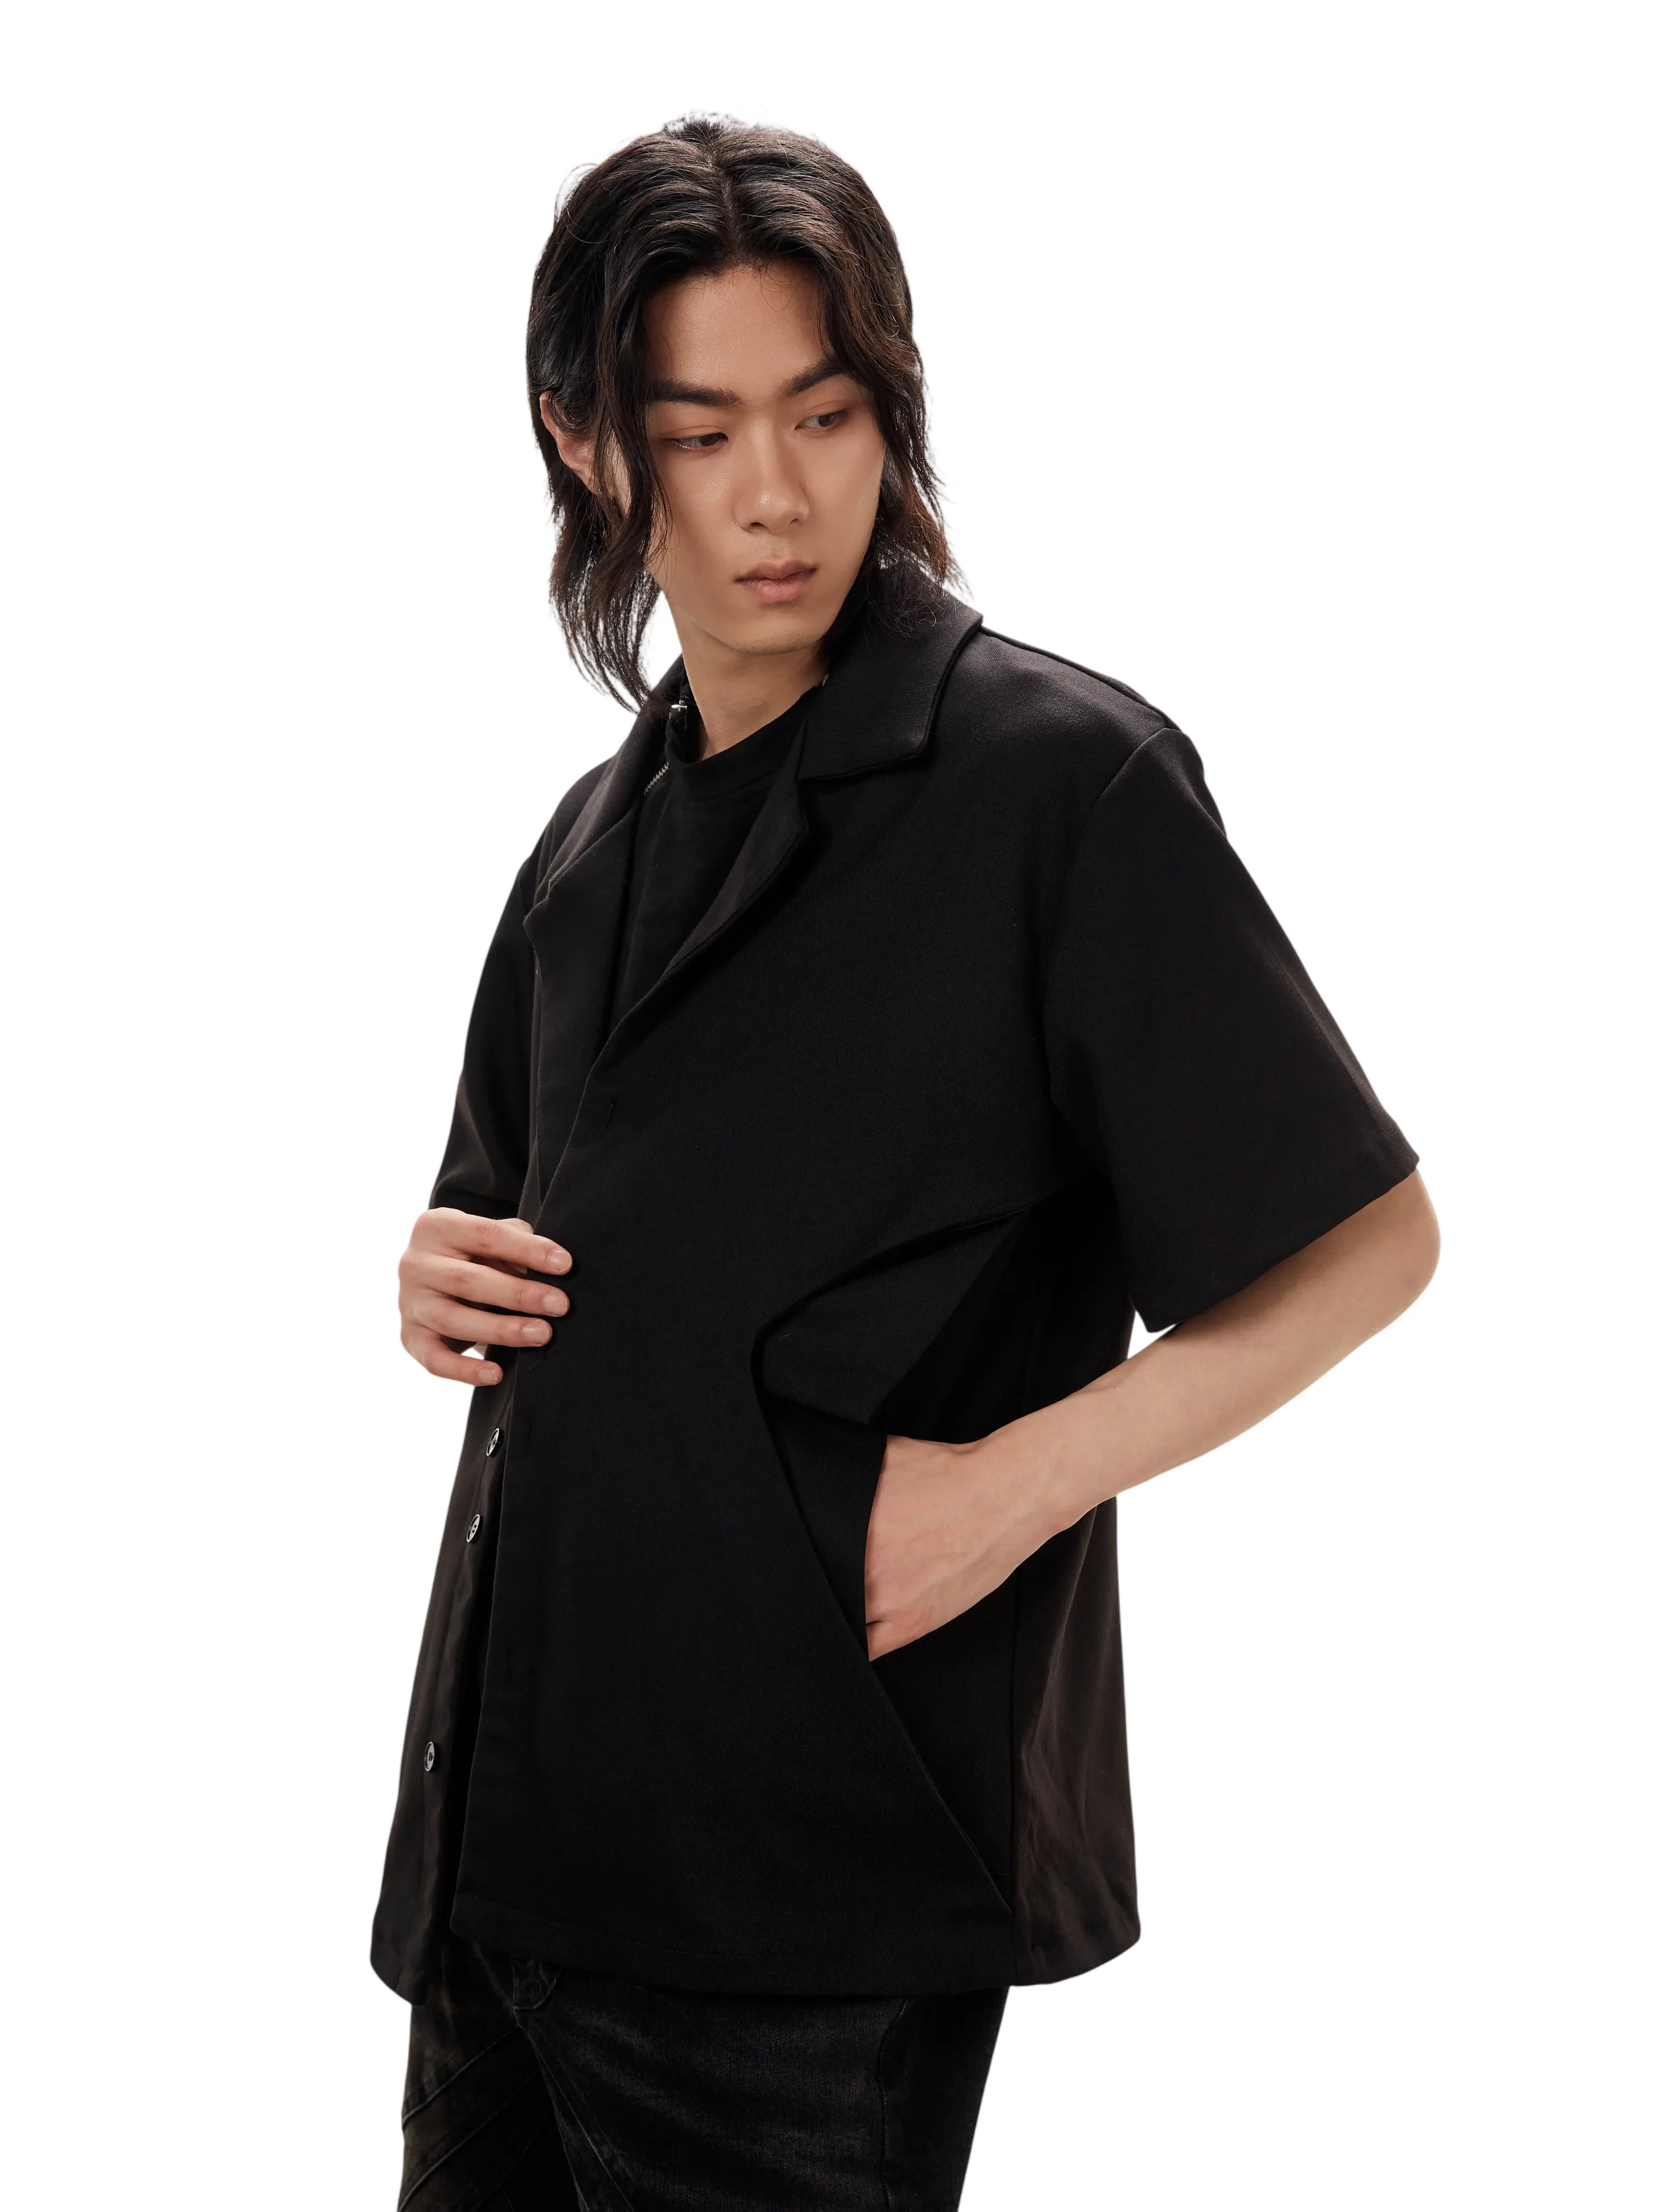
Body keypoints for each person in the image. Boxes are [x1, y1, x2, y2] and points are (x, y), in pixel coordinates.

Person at [372, 114, 1439, 2212]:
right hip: (511, 1864)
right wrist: (438, 1282)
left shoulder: (1059, 787)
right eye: (699, 435)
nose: (775, 495)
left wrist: (1012, 1487)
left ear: (891, 412)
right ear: (593, 451)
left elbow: (1370, 1240)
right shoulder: (591, 840)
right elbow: (523, 1237)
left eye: (826, 413)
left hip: (811, 1899)